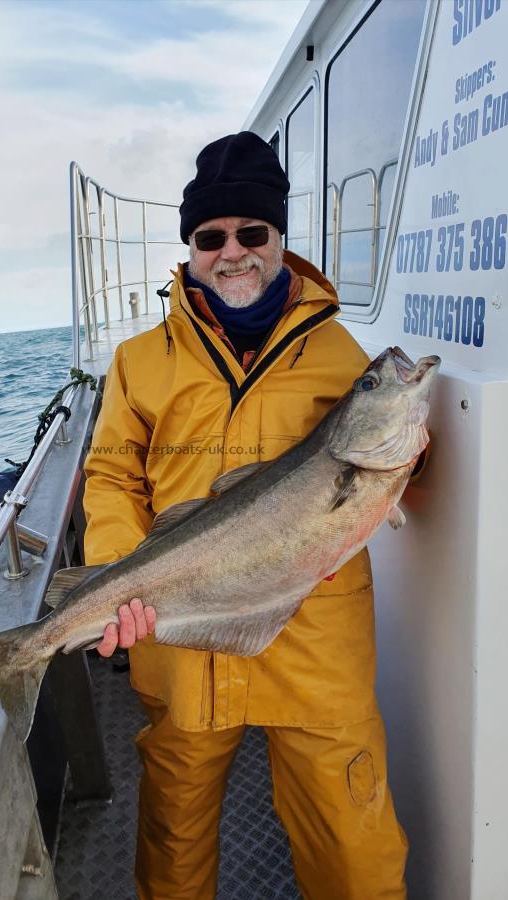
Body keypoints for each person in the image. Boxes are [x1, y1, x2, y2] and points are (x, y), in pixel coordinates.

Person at [82, 132, 408, 899]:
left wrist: (409, 456)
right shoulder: (138, 360)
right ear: (190, 247)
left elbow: (385, 464)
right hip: (181, 627)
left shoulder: (339, 354)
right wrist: (117, 577)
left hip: (314, 635)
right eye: (210, 237)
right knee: (174, 834)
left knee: (352, 839)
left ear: (278, 238)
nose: (232, 252)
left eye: (250, 233)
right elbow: (110, 473)